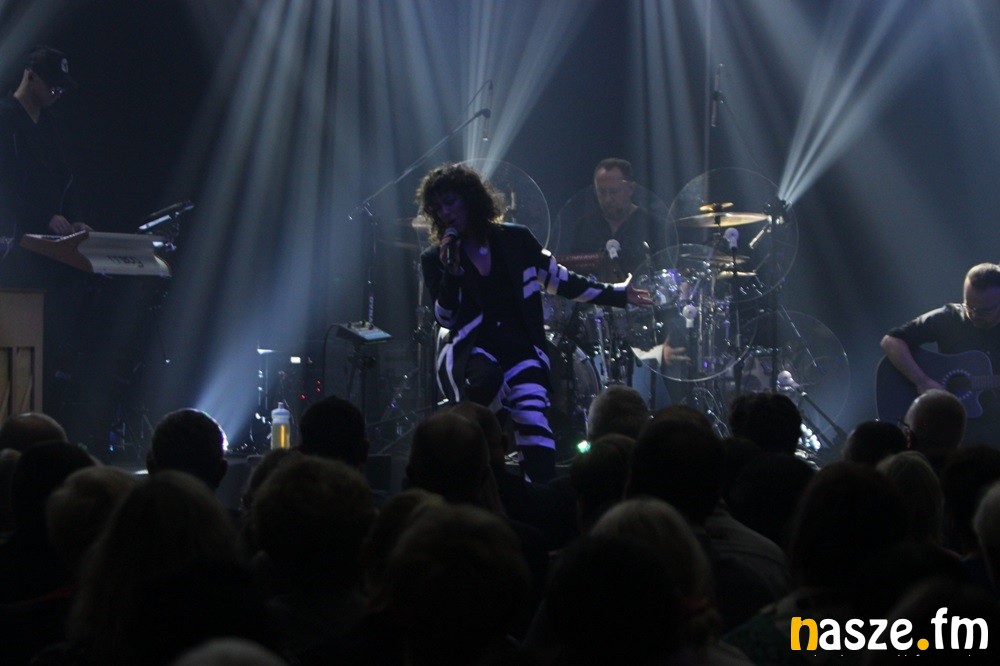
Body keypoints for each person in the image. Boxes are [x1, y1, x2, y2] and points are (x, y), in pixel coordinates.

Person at [417, 163, 650, 483]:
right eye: (438, 207)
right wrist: (452, 275)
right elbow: (446, 318)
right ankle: (484, 487)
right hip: (472, 353)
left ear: (470, 199)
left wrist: (618, 294)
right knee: (484, 402)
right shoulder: (435, 258)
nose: (445, 212)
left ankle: (537, 493)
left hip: (519, 349)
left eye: (450, 202)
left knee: (536, 429)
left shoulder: (515, 240)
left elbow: (561, 281)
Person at [881, 262, 1000, 447]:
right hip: (948, 430)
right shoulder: (950, 317)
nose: (975, 315)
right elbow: (890, 341)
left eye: (984, 311)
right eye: (969, 306)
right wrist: (922, 381)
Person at [567, 158, 668, 277]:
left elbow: (664, 270)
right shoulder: (584, 227)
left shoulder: (652, 226)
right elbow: (575, 271)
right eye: (602, 192)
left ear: (631, 189)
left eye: (614, 192)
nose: (607, 199)